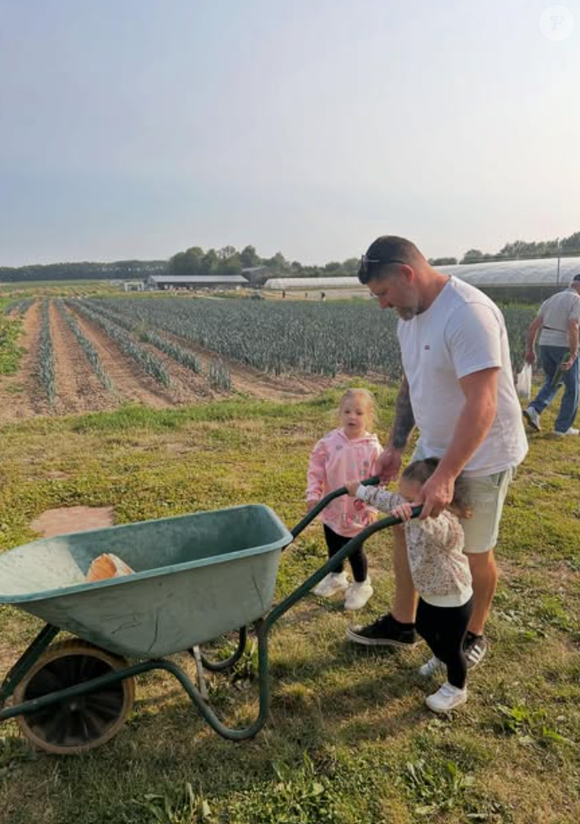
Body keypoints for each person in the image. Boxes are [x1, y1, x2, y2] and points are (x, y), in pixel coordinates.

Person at [347, 235, 528, 670]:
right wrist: (395, 446)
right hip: (434, 446)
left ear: (408, 274)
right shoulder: (408, 317)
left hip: (483, 455)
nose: (383, 305)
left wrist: (446, 475)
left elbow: (481, 403)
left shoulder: (468, 314)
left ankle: (473, 633)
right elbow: (413, 382)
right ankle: (402, 622)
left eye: (384, 293)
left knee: (472, 549)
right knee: (406, 525)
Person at [347, 458, 473, 712]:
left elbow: (433, 529)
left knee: (452, 647)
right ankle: (438, 657)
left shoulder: (446, 523)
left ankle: (457, 688)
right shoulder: (406, 505)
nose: (405, 504)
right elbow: (389, 500)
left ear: (438, 499)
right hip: (429, 592)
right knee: (425, 628)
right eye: (404, 498)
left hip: (453, 597)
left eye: (413, 501)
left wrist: (417, 516)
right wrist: (360, 490)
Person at [306, 388, 382, 610]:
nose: (352, 417)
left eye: (359, 413)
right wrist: (313, 494)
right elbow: (316, 469)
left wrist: (372, 507)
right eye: (347, 411)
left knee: (354, 548)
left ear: (369, 416)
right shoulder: (329, 442)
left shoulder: (373, 448)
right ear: (340, 413)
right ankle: (337, 575)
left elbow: (378, 481)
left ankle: (361, 584)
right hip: (332, 506)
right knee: (332, 541)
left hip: (356, 510)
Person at [523, 274, 580, 436]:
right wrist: (573, 353)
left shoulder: (551, 299)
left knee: (554, 380)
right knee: (572, 388)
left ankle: (534, 409)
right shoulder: (576, 300)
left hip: (545, 345)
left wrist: (530, 350)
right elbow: (573, 325)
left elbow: (533, 327)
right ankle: (562, 428)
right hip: (563, 347)